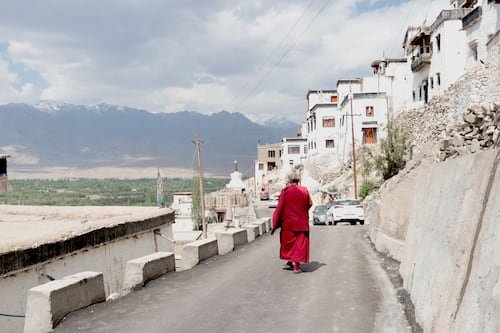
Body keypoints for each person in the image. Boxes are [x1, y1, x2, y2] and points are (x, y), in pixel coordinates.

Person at [271, 172, 312, 273]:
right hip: (302, 223)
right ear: (298, 181)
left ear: (289, 181)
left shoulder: (286, 191)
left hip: (288, 223)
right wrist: (303, 211)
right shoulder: (304, 190)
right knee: (299, 245)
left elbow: (280, 207)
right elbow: (310, 203)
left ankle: (296, 267)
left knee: (288, 244)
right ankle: (291, 263)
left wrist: (276, 221)